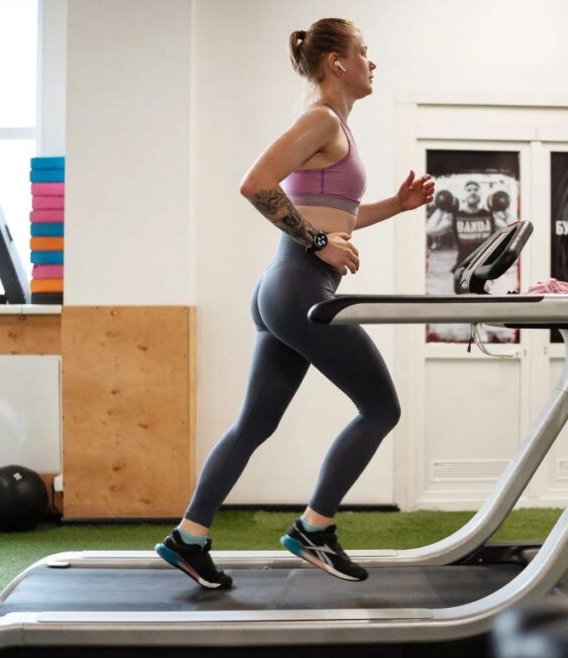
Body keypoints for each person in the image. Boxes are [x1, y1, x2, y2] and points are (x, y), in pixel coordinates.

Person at [156, 18, 434, 589]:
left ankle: (189, 535)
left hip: (289, 287)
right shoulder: (320, 119)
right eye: (364, 52)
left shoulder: (335, 128)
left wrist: (395, 206)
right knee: (382, 409)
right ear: (336, 62)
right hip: (298, 286)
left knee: (253, 424)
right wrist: (317, 242)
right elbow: (256, 183)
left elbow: (338, 219)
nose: (372, 63)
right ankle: (315, 528)